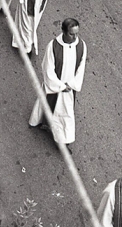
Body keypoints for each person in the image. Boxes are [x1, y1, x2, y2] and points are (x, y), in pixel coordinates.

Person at [29, 18, 87, 149]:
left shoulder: (81, 46)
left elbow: (81, 69)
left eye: (77, 33)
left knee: (65, 114)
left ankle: (63, 141)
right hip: (56, 86)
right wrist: (60, 86)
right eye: (72, 34)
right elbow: (47, 68)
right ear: (63, 32)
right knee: (48, 104)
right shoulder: (53, 46)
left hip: (69, 89)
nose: (75, 37)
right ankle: (43, 122)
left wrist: (71, 85)